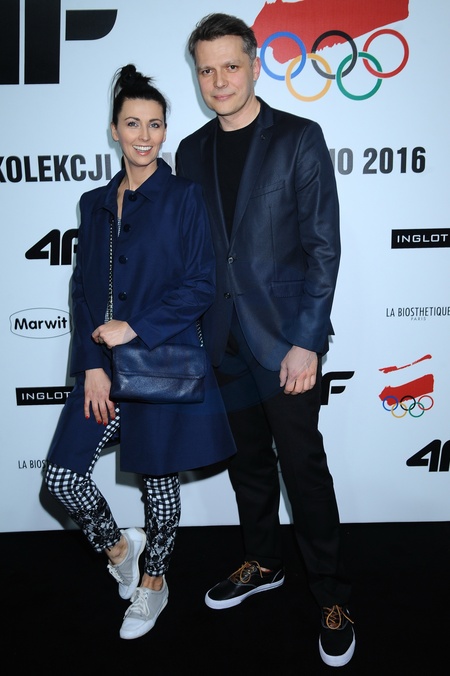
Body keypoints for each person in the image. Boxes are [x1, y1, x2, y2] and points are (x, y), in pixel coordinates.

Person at [176, 13, 355, 668]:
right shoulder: (190, 151)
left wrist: (308, 341)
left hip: (286, 344)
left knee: (302, 470)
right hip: (221, 341)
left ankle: (332, 595)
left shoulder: (299, 138)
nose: (219, 80)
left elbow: (323, 247)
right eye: (206, 70)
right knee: (248, 465)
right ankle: (264, 561)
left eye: (230, 65)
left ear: (255, 65)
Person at [44, 64, 236, 641]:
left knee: (158, 485)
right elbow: (82, 291)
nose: (145, 136)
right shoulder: (93, 202)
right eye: (133, 123)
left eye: (155, 124)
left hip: (160, 363)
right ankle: (122, 550)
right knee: (62, 478)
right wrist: (90, 366)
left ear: (165, 130)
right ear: (114, 130)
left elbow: (201, 285)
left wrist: (136, 328)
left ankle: (154, 583)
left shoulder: (184, 197)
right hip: (103, 369)